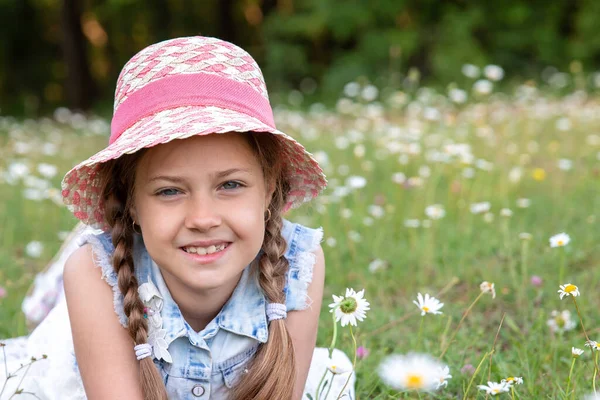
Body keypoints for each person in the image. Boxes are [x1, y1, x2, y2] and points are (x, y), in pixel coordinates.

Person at [0, 36, 354, 399]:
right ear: (130, 201)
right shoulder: (94, 274)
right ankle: (48, 297)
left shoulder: (297, 264)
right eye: (170, 191)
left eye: (230, 185)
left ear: (269, 189)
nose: (202, 219)